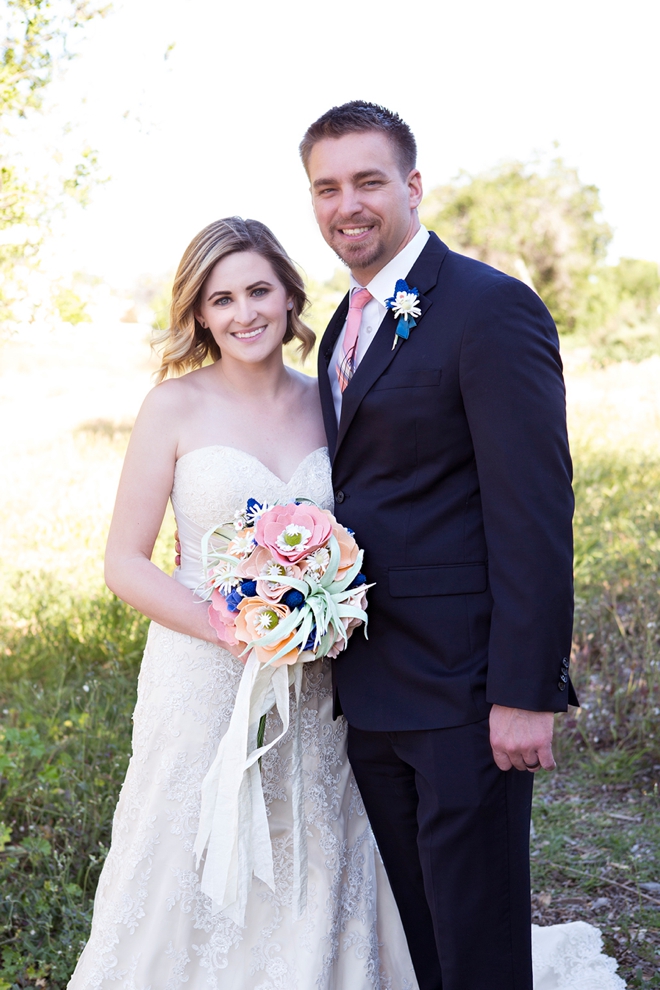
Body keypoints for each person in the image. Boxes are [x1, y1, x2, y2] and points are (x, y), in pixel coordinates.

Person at [67, 217, 419, 989]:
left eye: (258, 290)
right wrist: (232, 630)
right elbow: (125, 563)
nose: (243, 313)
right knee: (191, 839)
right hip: (202, 671)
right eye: (220, 298)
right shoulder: (174, 407)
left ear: (290, 296)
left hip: (317, 672)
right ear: (198, 313)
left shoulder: (331, 399)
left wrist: (320, 610)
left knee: (313, 834)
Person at [299, 100, 584, 990]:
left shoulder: (490, 309)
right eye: (327, 187)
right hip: (372, 689)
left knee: (481, 944)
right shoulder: (341, 328)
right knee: (426, 941)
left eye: (369, 181)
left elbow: (533, 513)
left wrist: (525, 693)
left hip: (467, 696)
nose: (348, 204)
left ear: (413, 187)